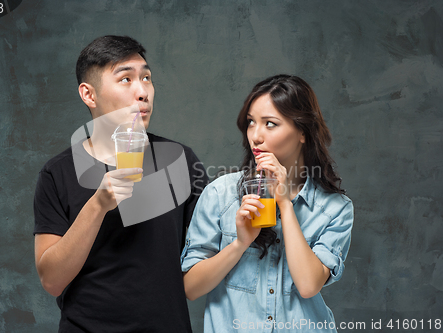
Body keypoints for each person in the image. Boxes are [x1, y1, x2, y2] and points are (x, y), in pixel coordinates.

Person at [33, 35, 208, 332]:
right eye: (125, 79)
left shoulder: (180, 160)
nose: (143, 92)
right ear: (89, 95)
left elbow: (211, 249)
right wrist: (99, 204)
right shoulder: (57, 173)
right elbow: (52, 280)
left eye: (147, 78)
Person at [181, 75, 354, 332]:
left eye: (270, 124)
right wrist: (240, 244)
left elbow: (308, 286)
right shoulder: (220, 194)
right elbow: (191, 288)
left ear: (303, 132)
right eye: (251, 122)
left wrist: (284, 203)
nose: (256, 136)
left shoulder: (334, 208)